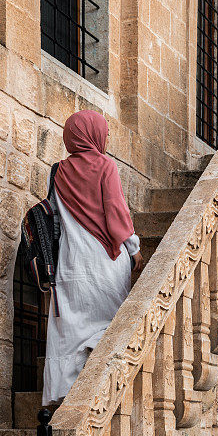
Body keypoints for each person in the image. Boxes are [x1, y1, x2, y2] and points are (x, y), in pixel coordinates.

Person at [42, 110, 143, 405]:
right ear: (93, 134)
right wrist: (134, 249)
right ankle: (100, 391)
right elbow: (116, 214)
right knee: (108, 326)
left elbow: (56, 219)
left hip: (70, 264)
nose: (108, 137)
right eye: (106, 132)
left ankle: (63, 395)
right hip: (104, 266)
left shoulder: (58, 171)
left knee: (69, 329)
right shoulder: (105, 166)